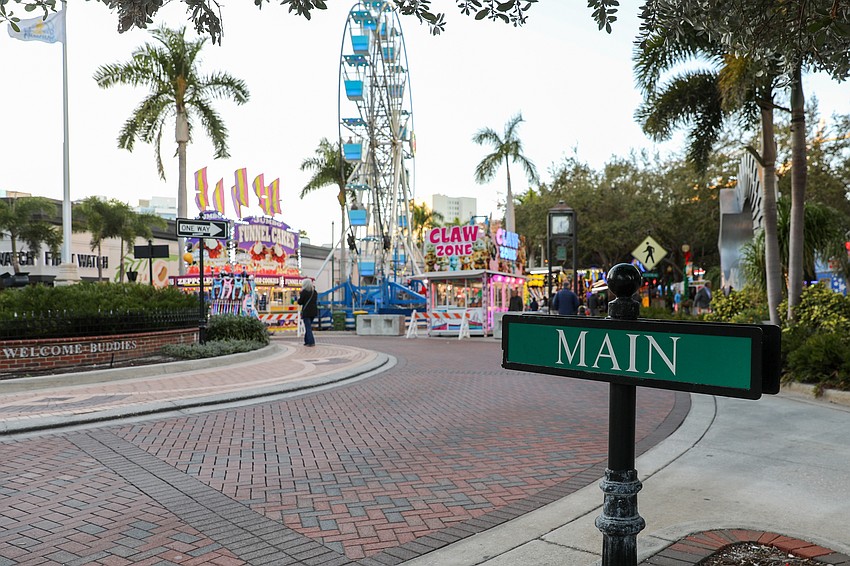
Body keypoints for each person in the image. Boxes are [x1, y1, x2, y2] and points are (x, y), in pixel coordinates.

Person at [297, 278, 318, 347]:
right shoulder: (314, 292)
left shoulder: (304, 292)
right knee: (308, 327)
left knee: (308, 327)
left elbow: (300, 302)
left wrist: (298, 299)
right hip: (314, 312)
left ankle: (311, 341)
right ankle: (306, 341)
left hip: (306, 312)